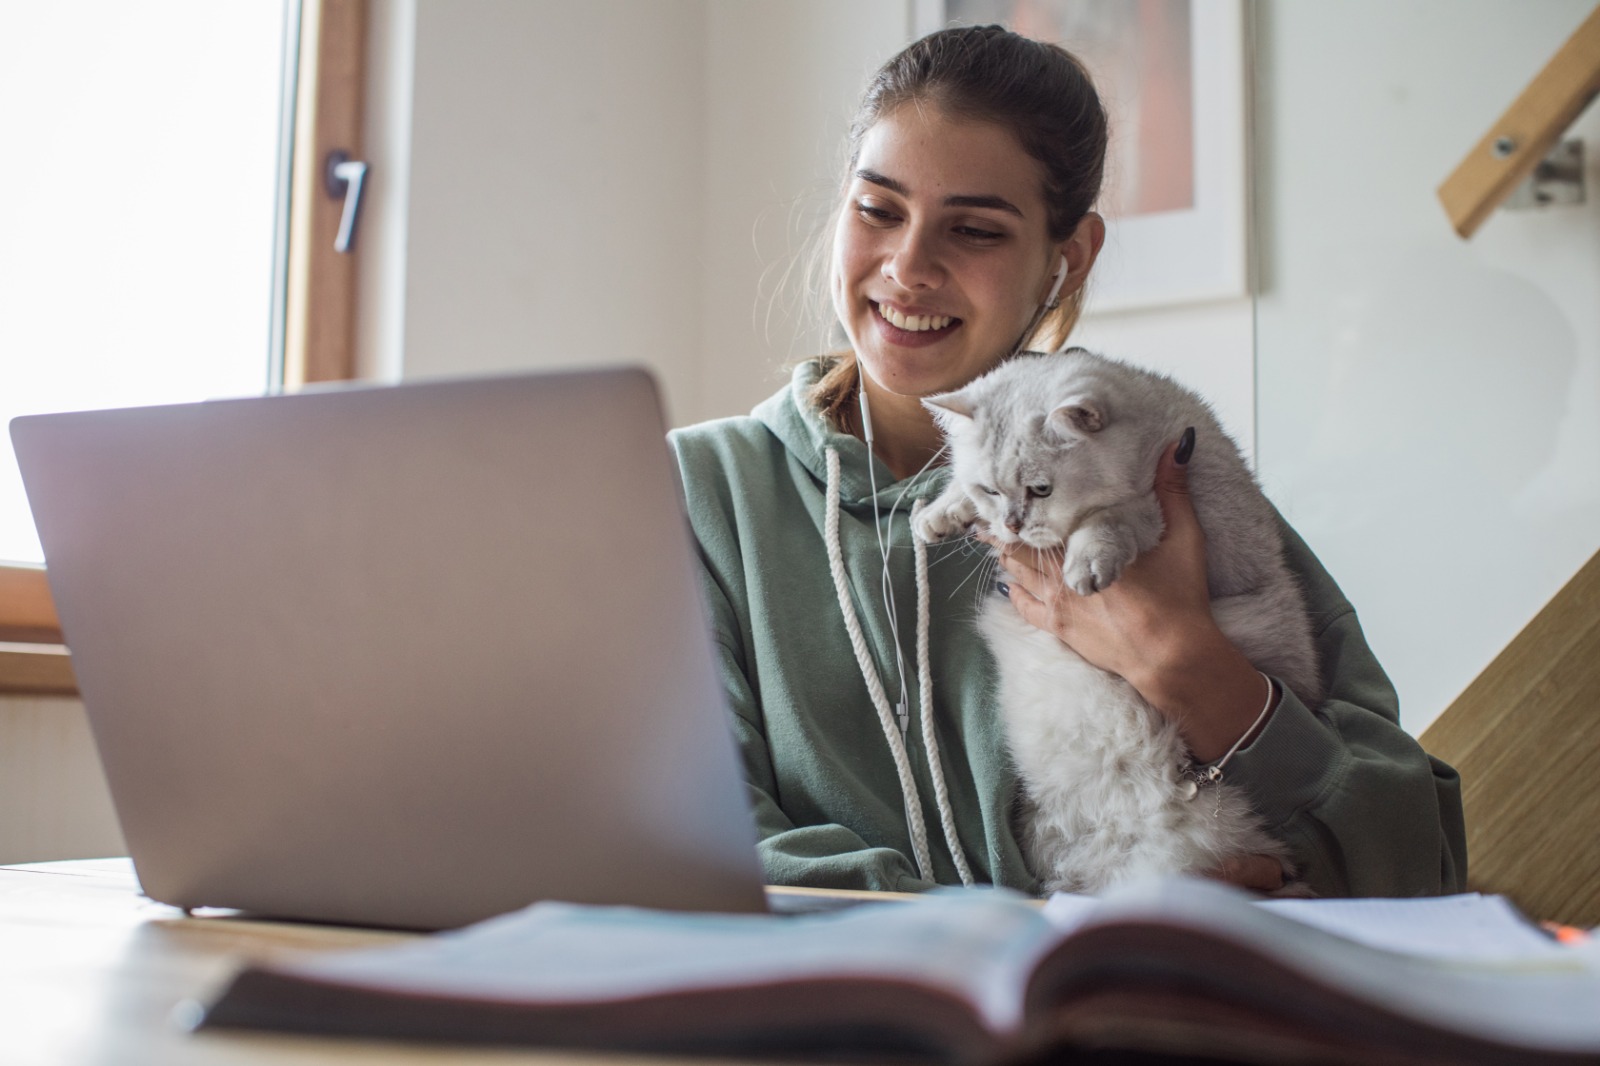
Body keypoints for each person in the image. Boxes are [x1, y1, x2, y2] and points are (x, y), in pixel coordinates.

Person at [669, 25, 1466, 897]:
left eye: (973, 229)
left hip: (1162, 1013)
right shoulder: (701, 496)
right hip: (850, 1025)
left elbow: (1418, 858)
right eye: (878, 209)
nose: (907, 266)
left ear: (1067, 257)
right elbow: (688, 840)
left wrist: (1185, 665)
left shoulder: (1159, 466)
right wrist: (1008, 938)